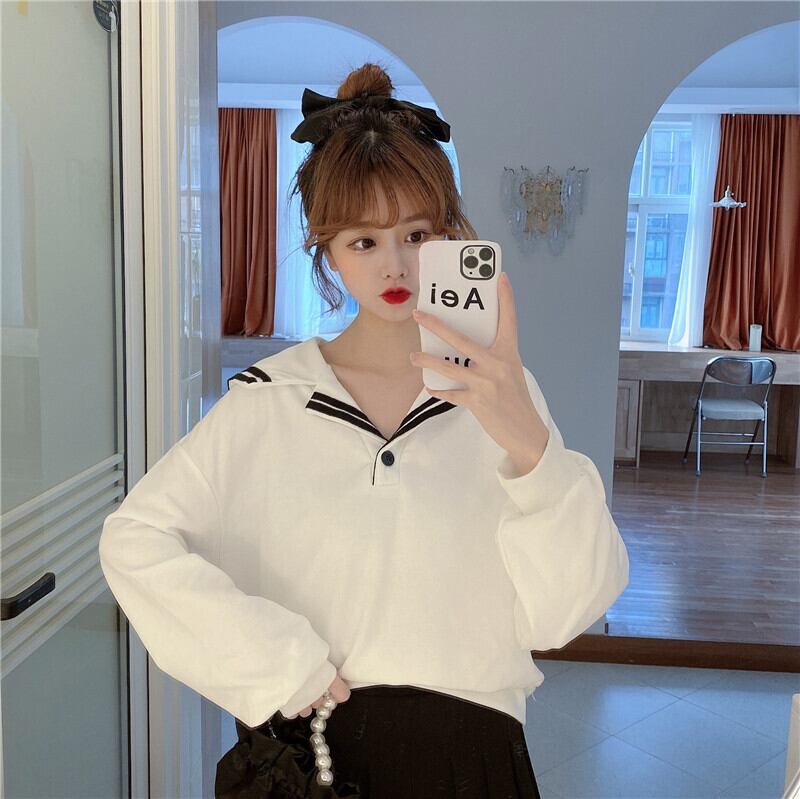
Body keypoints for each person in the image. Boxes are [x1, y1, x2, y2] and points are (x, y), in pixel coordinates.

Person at [99, 62, 630, 798]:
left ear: (448, 236)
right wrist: (276, 662)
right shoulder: (270, 401)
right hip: (317, 756)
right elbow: (134, 541)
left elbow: (566, 614)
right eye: (363, 241)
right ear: (326, 248)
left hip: (472, 757)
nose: (396, 265)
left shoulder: (501, 395)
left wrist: (530, 445)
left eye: (416, 233)